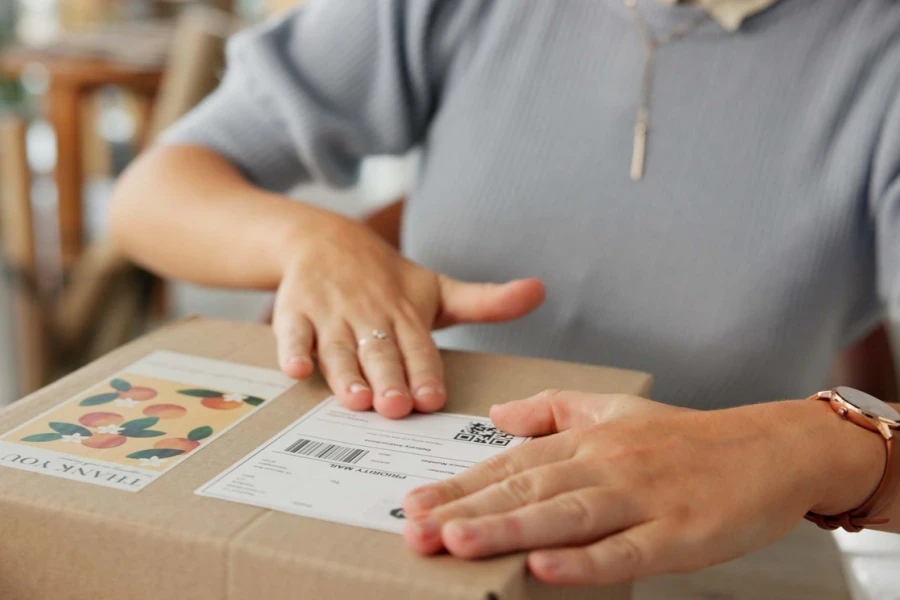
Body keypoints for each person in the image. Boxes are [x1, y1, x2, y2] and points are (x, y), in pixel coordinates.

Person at [110, 0, 900, 586]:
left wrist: (818, 445)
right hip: (423, 533)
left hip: (729, 566)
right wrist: (311, 241)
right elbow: (151, 196)